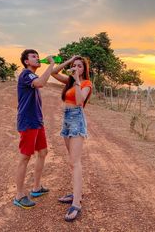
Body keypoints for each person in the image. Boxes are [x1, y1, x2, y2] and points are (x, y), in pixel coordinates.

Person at [51, 55, 92, 221]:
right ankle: (77, 193)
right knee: (71, 161)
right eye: (75, 65)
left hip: (76, 119)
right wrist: (69, 61)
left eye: (79, 66)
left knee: (75, 162)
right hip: (66, 119)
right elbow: (53, 72)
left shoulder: (86, 84)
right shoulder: (68, 81)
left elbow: (80, 99)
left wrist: (76, 78)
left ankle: (77, 202)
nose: (76, 68)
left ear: (84, 69)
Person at [13, 49, 54, 209]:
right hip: (28, 122)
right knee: (25, 157)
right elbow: (41, 83)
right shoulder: (26, 74)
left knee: (43, 153)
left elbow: (48, 75)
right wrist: (50, 64)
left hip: (37, 121)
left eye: (38, 56)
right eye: (33, 56)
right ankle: (19, 195)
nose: (37, 58)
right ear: (26, 61)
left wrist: (63, 62)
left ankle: (36, 188)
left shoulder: (34, 75)